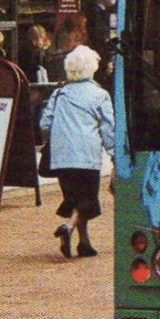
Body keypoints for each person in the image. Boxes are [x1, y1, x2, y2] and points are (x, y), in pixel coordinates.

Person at [40, 45, 114, 260]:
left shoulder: (59, 93)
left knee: (74, 198)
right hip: (86, 155)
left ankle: (84, 243)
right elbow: (108, 129)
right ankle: (68, 226)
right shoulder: (100, 94)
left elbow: (45, 123)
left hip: (62, 156)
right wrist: (114, 155)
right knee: (87, 199)